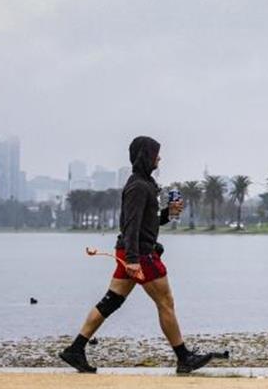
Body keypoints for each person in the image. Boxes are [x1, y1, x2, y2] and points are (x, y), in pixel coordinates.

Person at [59, 135, 214, 374]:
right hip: (140, 254)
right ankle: (184, 358)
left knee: (112, 301)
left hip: (131, 251)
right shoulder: (138, 187)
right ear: (146, 156)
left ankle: (75, 349)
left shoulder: (145, 183)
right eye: (155, 154)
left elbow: (147, 221)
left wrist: (168, 213)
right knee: (165, 302)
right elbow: (131, 225)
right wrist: (132, 261)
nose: (159, 158)